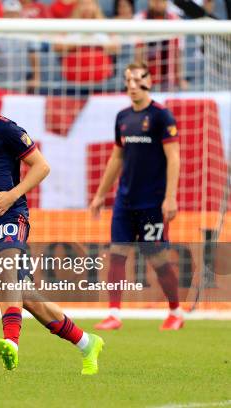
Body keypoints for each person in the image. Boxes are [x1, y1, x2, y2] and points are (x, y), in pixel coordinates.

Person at [0, 64, 104, 374]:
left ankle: (10, 342)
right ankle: (86, 342)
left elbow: (41, 166)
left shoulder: (4, 129)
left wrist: (12, 195)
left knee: (6, 271)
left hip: (12, 217)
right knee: (30, 299)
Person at [90, 61, 183, 331]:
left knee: (158, 259)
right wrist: (100, 195)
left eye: (137, 80)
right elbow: (116, 157)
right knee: (117, 254)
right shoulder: (122, 117)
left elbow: (173, 157)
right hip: (125, 200)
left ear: (149, 81)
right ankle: (114, 314)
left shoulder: (161, 116)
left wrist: (170, 197)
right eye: (127, 80)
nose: (132, 85)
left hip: (152, 202)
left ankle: (176, 311)